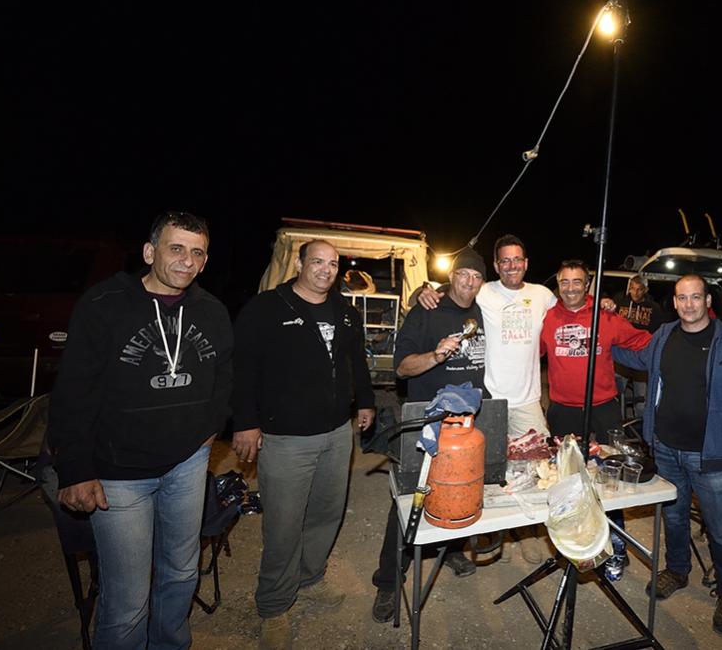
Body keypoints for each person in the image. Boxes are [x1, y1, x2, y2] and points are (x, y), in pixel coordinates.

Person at [47, 211, 233, 649]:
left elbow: (225, 376)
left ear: (205, 261)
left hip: (187, 465)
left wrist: (210, 429)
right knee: (128, 599)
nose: (186, 260)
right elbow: (73, 392)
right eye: (176, 248)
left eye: (197, 253)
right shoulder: (104, 304)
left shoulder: (212, 310)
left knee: (181, 573)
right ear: (150, 252)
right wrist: (75, 469)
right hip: (119, 474)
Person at [231, 240, 376, 649]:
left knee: (327, 513)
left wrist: (365, 402)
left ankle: (310, 578)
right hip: (286, 439)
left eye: (332, 264)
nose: (325, 270)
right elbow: (242, 369)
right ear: (299, 263)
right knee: (283, 524)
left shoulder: (345, 312)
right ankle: (274, 606)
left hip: (336, 434)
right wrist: (245, 423)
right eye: (317, 262)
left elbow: (357, 362)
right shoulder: (266, 308)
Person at [612, 274, 722, 638]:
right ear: (674, 302)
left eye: (695, 297)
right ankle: (677, 570)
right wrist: (601, 341)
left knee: (721, 531)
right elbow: (637, 356)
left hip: (712, 455)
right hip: (666, 448)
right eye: (682, 298)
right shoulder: (664, 335)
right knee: (674, 519)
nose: (689, 304)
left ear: (707, 301)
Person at [416, 234, 556, 562]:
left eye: (517, 260)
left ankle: (531, 531)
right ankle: (493, 532)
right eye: (504, 260)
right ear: (496, 265)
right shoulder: (484, 290)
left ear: (526, 263)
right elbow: (451, 289)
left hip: (528, 399)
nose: (511, 266)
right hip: (489, 399)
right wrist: (421, 291)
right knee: (489, 471)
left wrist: (603, 302)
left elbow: (573, 304)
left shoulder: (542, 294)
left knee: (537, 471)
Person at [370, 249, 489, 624]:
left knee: (459, 489)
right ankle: (389, 582)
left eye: (476, 276)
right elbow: (402, 369)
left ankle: (448, 549)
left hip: (467, 421)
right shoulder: (427, 309)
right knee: (410, 498)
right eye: (463, 274)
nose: (469, 282)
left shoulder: (482, 311)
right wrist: (436, 356)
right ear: (451, 276)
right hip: (428, 420)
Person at [540, 260, 651, 580]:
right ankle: (575, 547)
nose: (570, 288)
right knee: (566, 482)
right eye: (564, 282)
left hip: (602, 409)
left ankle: (616, 547)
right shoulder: (548, 319)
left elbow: (643, 341)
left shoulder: (606, 317)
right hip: (563, 410)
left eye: (577, 282)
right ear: (557, 284)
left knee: (610, 482)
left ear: (588, 285)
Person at [608, 274, 666, 420]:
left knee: (641, 397)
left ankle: (640, 426)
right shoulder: (619, 303)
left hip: (642, 356)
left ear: (645, 290)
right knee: (615, 393)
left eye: (639, 289)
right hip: (622, 355)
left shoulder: (654, 308)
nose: (635, 292)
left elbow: (657, 333)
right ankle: (617, 424)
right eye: (632, 288)